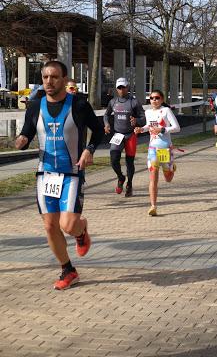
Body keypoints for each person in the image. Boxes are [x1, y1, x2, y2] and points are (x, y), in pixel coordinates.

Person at [15, 60, 103, 290]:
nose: (49, 82)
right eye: (45, 77)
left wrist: (88, 150)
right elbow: (27, 132)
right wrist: (21, 140)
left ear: (64, 80)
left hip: (72, 172)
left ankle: (81, 230)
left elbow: (99, 131)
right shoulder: (35, 106)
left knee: (68, 224)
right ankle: (68, 269)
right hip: (45, 174)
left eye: (54, 77)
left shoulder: (80, 105)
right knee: (49, 226)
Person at [134, 90, 180, 216]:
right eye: (152, 98)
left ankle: (172, 168)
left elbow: (177, 128)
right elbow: (149, 126)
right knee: (153, 177)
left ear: (162, 99)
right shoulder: (148, 112)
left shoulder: (166, 111)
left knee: (168, 178)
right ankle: (153, 206)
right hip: (152, 149)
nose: (154, 100)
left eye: (157, 98)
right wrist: (140, 129)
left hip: (165, 149)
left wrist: (162, 129)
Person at [103, 77, 145, 197]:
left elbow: (143, 119)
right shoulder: (113, 102)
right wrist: (106, 124)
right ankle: (121, 177)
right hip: (118, 134)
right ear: (116, 89)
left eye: (123, 87)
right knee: (113, 159)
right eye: (119, 87)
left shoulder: (134, 102)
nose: (121, 89)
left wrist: (136, 120)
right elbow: (106, 115)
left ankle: (129, 185)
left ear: (128, 87)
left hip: (130, 135)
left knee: (129, 162)